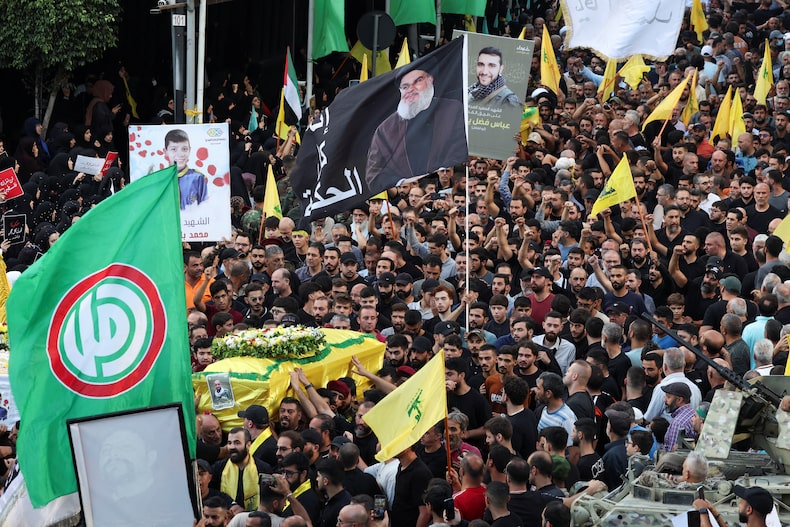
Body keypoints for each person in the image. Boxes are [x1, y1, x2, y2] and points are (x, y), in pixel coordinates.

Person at [366, 65, 467, 191]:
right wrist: (403, 183)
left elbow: (461, 152)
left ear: (430, 80)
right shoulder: (386, 129)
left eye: (418, 81)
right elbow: (374, 175)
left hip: (448, 191)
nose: (411, 89)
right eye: (405, 86)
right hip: (405, 195)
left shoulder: (452, 111)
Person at [163, 128, 208, 210]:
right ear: (165, 151)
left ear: (189, 150)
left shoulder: (197, 178)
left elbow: (205, 208)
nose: (180, 154)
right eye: (174, 149)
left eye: (184, 149)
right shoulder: (161, 179)